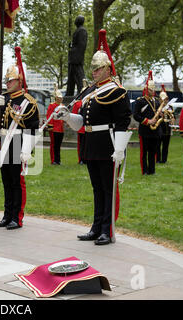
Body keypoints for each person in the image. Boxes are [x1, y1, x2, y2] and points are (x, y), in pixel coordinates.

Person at [54, 29, 132, 245]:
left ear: (108, 68)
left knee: (108, 188)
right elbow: (84, 122)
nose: (95, 72)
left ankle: (107, 229)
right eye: (93, 69)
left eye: (98, 69)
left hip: (107, 144)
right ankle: (96, 227)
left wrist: (119, 148)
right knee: (97, 188)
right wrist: (68, 117)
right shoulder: (90, 92)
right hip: (91, 144)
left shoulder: (117, 91)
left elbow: (124, 121)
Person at [0, 47, 39, 230]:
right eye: (6, 80)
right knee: (6, 182)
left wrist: (26, 151)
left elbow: (32, 129)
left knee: (17, 183)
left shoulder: (28, 102)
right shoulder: (4, 99)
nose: (7, 83)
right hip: (2, 143)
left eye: (11, 80)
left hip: (17, 143)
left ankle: (17, 216)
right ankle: (7, 215)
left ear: (20, 80)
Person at [133, 70, 161, 175]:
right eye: (150, 89)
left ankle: (152, 171)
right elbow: (136, 115)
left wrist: (160, 116)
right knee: (144, 152)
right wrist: (148, 121)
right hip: (145, 130)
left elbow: (158, 114)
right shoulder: (140, 101)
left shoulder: (157, 101)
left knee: (153, 152)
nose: (152, 91)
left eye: (153, 89)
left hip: (155, 131)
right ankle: (144, 171)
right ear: (146, 89)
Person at [66, 15, 88, 96]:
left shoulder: (82, 31)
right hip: (73, 58)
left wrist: (77, 57)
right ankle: (69, 94)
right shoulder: (78, 30)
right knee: (71, 79)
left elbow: (82, 46)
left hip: (76, 58)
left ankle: (82, 91)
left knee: (79, 76)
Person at [46, 86, 65, 165]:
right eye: (59, 98)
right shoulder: (52, 105)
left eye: (61, 98)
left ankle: (58, 160)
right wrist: (50, 127)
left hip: (60, 128)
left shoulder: (62, 106)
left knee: (58, 145)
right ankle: (53, 160)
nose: (60, 99)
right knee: (53, 145)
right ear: (56, 98)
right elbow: (49, 116)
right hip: (54, 128)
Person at [156, 85, 174, 164]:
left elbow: (173, 116)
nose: (165, 101)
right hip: (159, 128)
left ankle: (164, 160)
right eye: (163, 99)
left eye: (166, 99)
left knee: (165, 146)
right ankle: (158, 160)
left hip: (167, 129)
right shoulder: (157, 107)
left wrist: (172, 120)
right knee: (157, 146)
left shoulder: (170, 107)